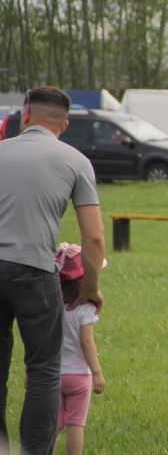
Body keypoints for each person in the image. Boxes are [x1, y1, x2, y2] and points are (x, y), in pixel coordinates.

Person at [0, 86, 105, 455]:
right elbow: (93, 239)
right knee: (44, 369)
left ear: (24, 114)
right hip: (34, 271)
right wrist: (89, 289)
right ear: (64, 124)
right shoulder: (74, 161)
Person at [55, 244, 105, 455]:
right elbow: (86, 343)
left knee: (53, 424)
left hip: (53, 374)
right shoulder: (85, 309)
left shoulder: (53, 306)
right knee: (76, 423)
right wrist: (97, 373)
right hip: (79, 375)